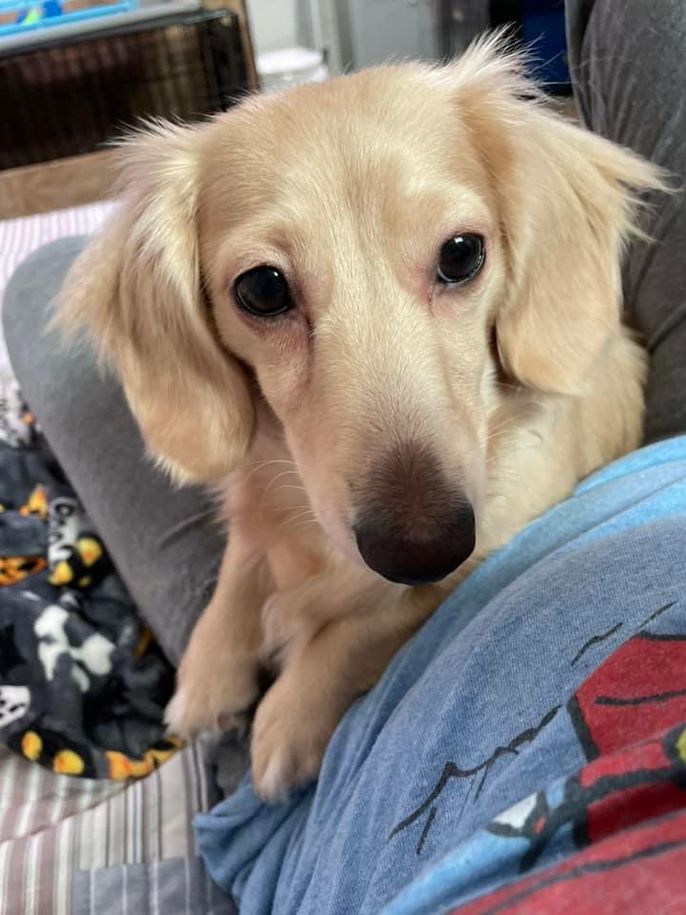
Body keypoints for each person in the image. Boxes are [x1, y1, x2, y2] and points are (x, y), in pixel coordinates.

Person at [3, 2, 686, 911]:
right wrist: (235, 608)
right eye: (266, 291)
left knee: (33, 280)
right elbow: (238, 469)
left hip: (320, 803)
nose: (415, 505)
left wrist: (322, 674)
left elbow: (450, 566)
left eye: (457, 258)